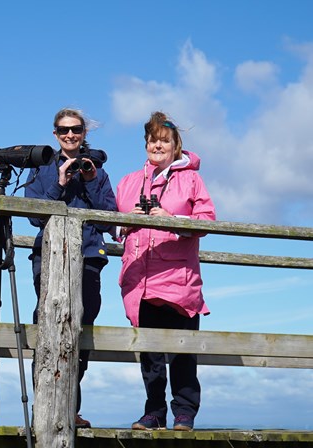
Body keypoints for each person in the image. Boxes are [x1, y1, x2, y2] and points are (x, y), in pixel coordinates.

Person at [115, 111, 216, 431]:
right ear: (145, 144)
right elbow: (114, 224)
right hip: (139, 280)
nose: (157, 145)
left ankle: (184, 413)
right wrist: (128, 219)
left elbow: (207, 220)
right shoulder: (129, 182)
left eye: (164, 141)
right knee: (150, 356)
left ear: (176, 146)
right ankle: (154, 412)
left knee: (182, 352)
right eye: (152, 140)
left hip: (178, 281)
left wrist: (170, 219)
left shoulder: (191, 179)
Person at [24, 108, 117, 429]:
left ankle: (70, 405)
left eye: (76, 130)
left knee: (81, 332)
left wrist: (90, 181)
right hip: (47, 259)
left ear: (84, 133)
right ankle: (44, 406)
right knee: (47, 329)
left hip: (89, 257)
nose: (70, 136)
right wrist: (60, 184)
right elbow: (35, 217)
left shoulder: (99, 172)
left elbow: (110, 218)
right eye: (63, 131)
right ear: (55, 134)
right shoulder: (40, 170)